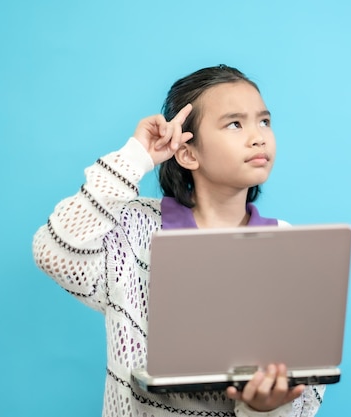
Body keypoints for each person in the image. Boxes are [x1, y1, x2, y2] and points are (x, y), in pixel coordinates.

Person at [32, 65, 325, 417]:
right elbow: (55, 252)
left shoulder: (287, 245)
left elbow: (305, 396)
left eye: (264, 121)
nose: (258, 137)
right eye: (235, 124)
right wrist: (135, 156)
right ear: (188, 153)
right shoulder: (134, 231)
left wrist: (263, 407)